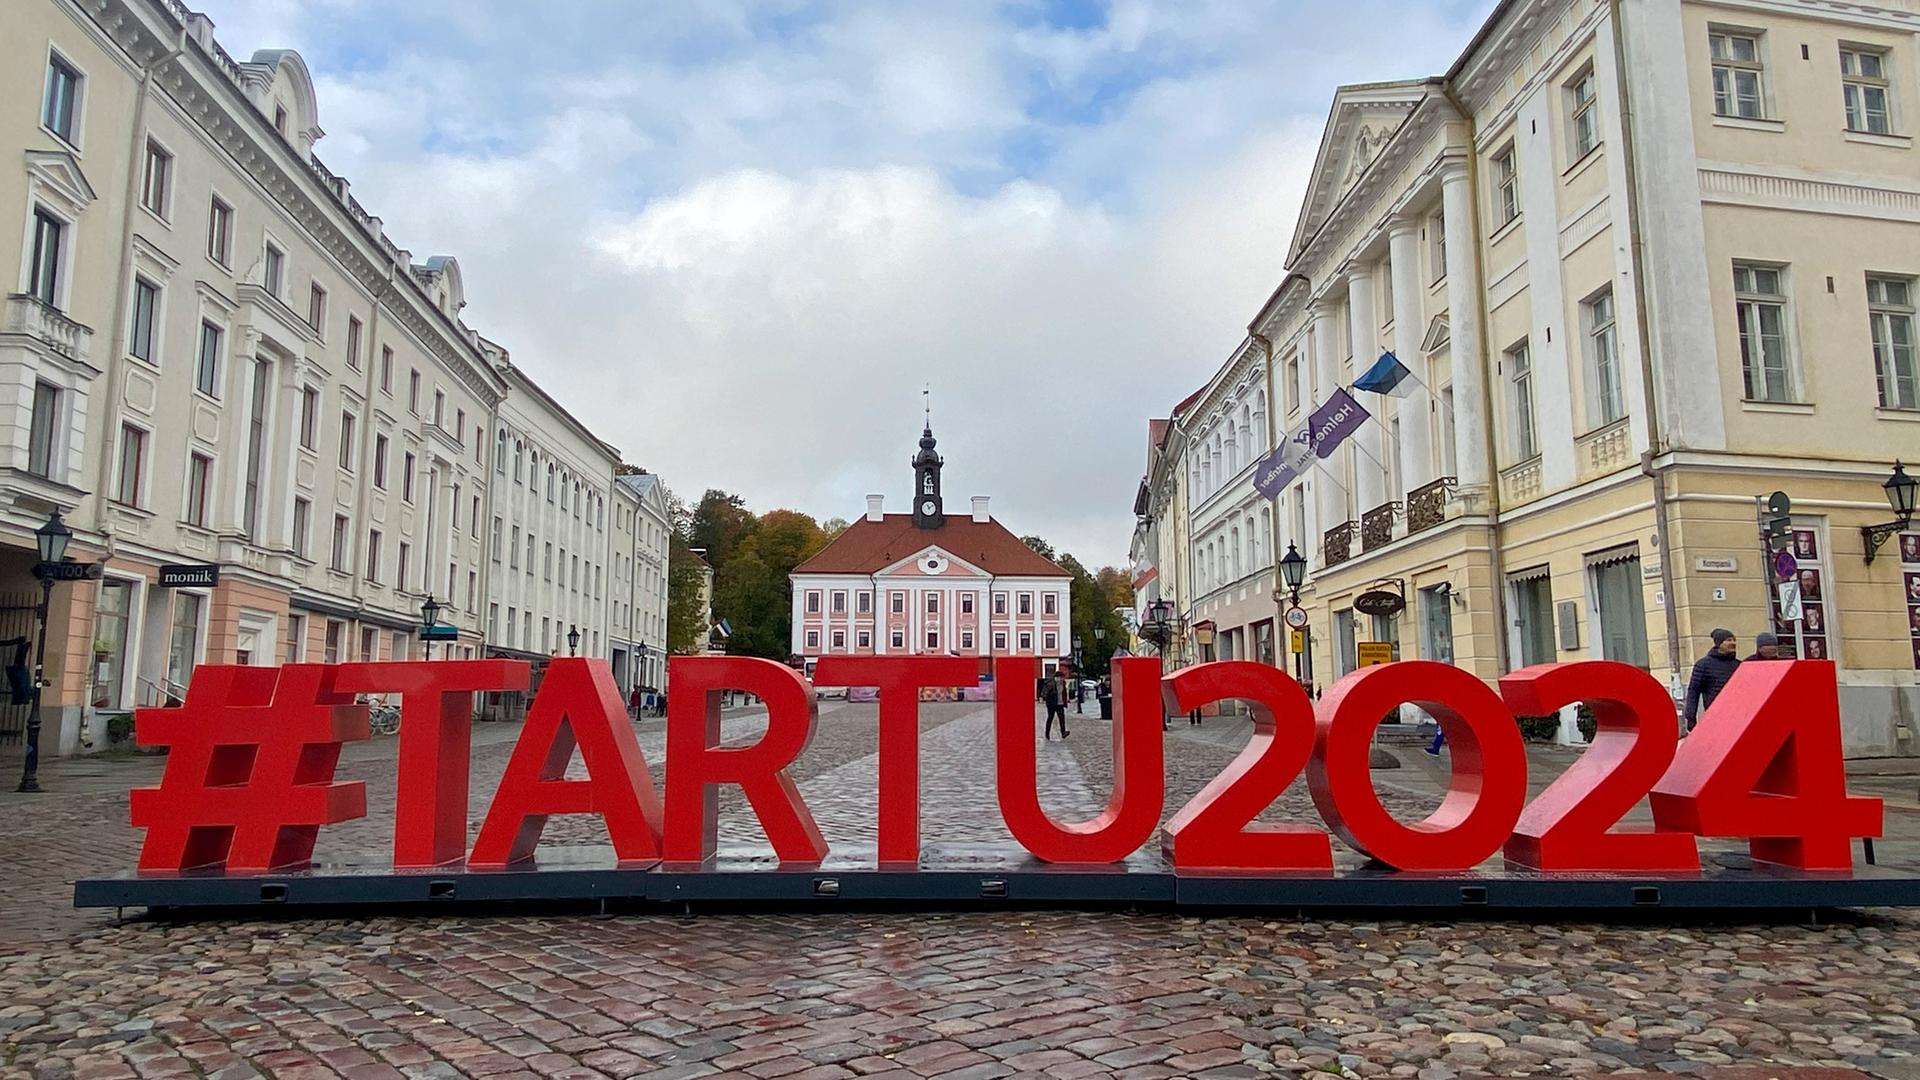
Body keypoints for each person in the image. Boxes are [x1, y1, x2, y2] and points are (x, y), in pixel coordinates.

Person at [1683, 628, 1741, 732]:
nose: (1733, 643)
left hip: (1737, 715)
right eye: (1728, 640)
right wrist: (1691, 717)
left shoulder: (1739, 665)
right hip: (1715, 716)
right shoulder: (1703, 665)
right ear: (1718, 643)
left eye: (1734, 640)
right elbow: (1693, 692)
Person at [1042, 669, 1069, 740]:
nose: (1062, 679)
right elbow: (1044, 693)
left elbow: (1064, 693)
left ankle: (1063, 733)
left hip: (1060, 704)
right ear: (1057, 677)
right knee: (1050, 718)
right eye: (1061, 677)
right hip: (1052, 704)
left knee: (1062, 718)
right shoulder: (1050, 683)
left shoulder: (1063, 683)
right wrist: (1048, 698)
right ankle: (1047, 734)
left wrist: (1065, 702)